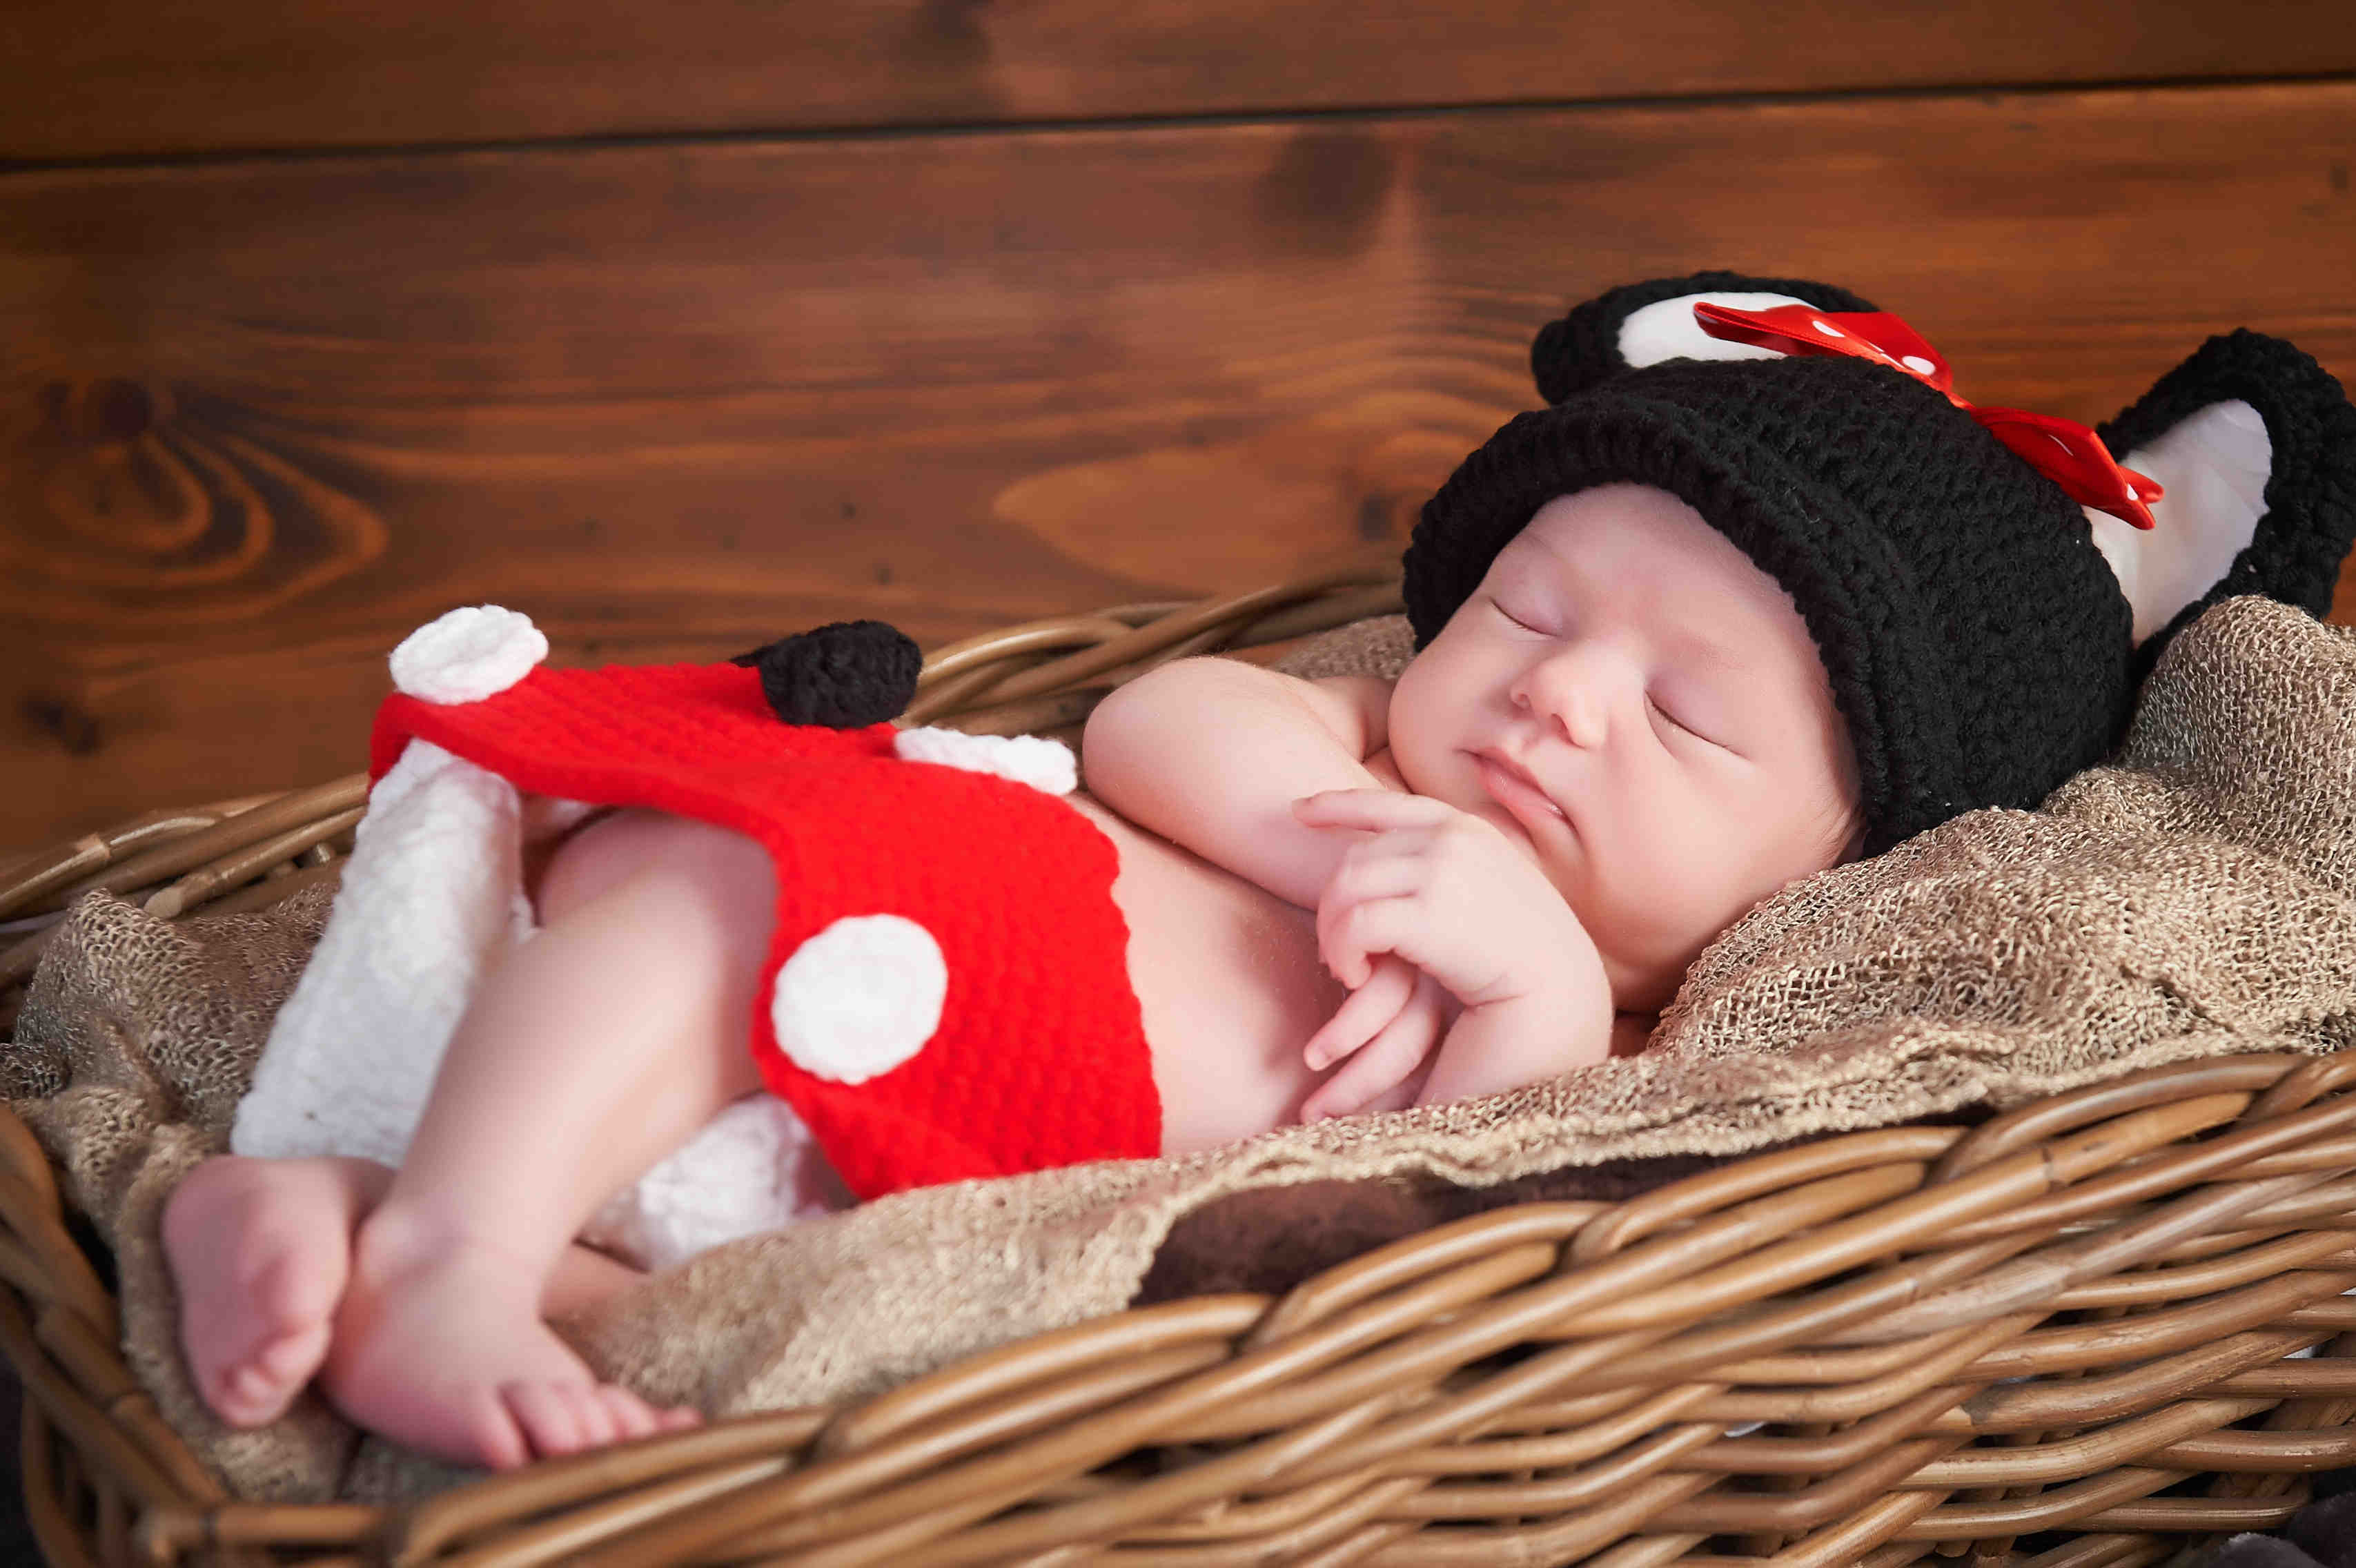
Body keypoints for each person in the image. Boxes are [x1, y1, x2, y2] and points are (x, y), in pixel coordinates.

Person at [157, 270, 2356, 1471]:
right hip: (874, 899)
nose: (1559, 697)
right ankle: (454, 1243)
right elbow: (1150, 723)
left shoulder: (1629, 1027)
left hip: (903, 1163)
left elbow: (1452, 1194)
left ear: (1831, 871)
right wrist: (1351, 830)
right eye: (1531, 609)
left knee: (744, 1299)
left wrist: (1529, 984)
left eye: (1687, 717)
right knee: (723, 884)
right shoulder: (1354, 747)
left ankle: (338, 1217)